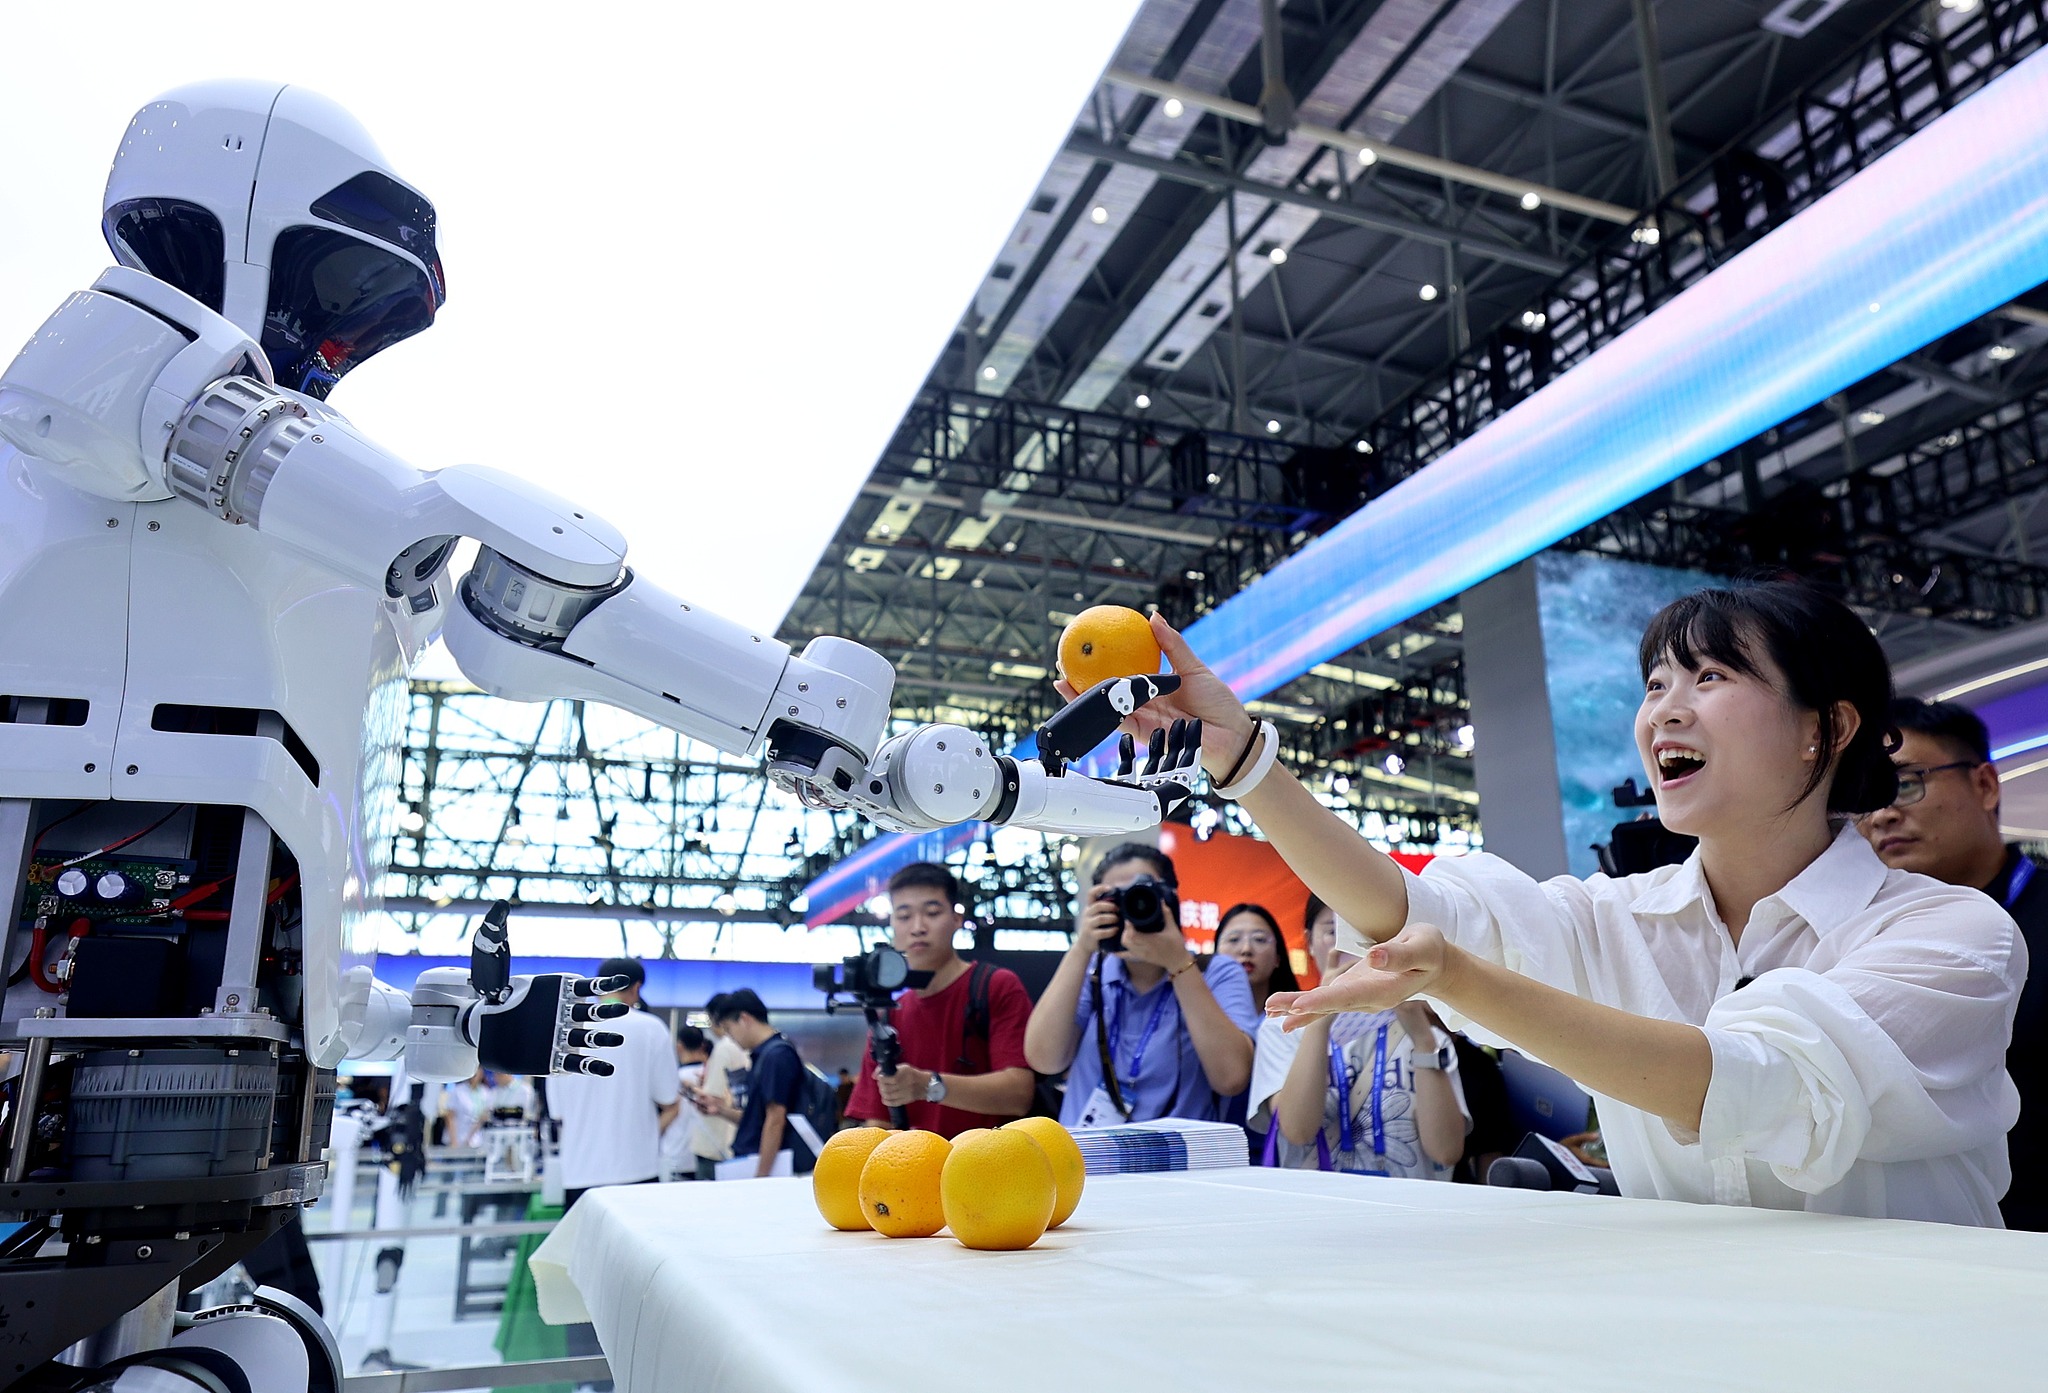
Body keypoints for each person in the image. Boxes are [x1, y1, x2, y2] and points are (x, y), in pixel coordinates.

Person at [1106, 582, 2024, 1226]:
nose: (1665, 708)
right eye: (1656, 682)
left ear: (1827, 727)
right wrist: (1244, 762)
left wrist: (1460, 975)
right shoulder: (1611, 916)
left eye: (1711, 678)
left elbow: (1753, 1082)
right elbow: (1404, 910)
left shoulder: (1951, 934)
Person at [1859, 696, 2048, 1231]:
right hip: (1913, 1239)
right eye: (1864, 796)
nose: (1882, 814)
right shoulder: (1861, 940)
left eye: (1905, 782)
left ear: (1985, 786)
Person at [1024, 843, 1258, 1126]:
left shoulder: (1216, 972)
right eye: (1114, 900)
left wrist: (1178, 963)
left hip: (1178, 1164)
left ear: (1170, 900)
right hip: (1088, 1161)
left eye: (1141, 892)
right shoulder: (1093, 972)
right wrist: (1082, 948)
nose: (1129, 908)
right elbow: (1043, 1060)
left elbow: (1232, 1078)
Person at [1252, 892, 1467, 1177]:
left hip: (1406, 1211)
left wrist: (1423, 1038)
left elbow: (1446, 1151)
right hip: (1316, 1208)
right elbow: (1297, 1130)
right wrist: (1320, 1013)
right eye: (1334, 932)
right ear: (1309, 941)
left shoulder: (1427, 1037)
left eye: (1362, 933)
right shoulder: (1282, 1027)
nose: (1349, 945)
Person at [842, 863, 1036, 1136]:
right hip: (916, 1169)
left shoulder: (995, 986)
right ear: (892, 925)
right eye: (904, 915)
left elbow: (1018, 1093)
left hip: (989, 1166)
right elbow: (877, 1121)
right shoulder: (889, 1015)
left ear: (957, 919)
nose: (918, 927)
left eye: (932, 913)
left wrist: (926, 1085)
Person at [545, 958, 681, 1209]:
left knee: (585, 1247)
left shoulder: (564, 1032)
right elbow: (669, 1098)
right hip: (637, 1167)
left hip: (580, 1170)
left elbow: (558, 1112)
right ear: (636, 987)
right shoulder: (651, 1029)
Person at [701, 990, 818, 1176]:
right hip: (754, 1159)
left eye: (729, 1029)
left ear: (744, 1019)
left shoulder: (776, 1055)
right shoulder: (764, 1055)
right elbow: (757, 1118)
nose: (730, 1038)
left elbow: (775, 1120)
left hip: (766, 1165)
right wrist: (721, 1109)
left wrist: (761, 1176)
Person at [688, 998, 748, 1180]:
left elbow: (711, 1097)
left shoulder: (724, 1048)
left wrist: (692, 1089)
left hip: (714, 1142)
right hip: (732, 1138)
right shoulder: (743, 1047)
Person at [1215, 903, 1299, 1016]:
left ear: (1278, 957)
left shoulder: (1297, 1015)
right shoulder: (1194, 1015)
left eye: (1259, 939)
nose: (1246, 949)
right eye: (1234, 939)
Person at [661, 1026, 713, 1181]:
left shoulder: (674, 1078)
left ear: (679, 1046)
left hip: (675, 1154)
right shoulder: (710, 1076)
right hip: (705, 1153)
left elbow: (670, 1112)